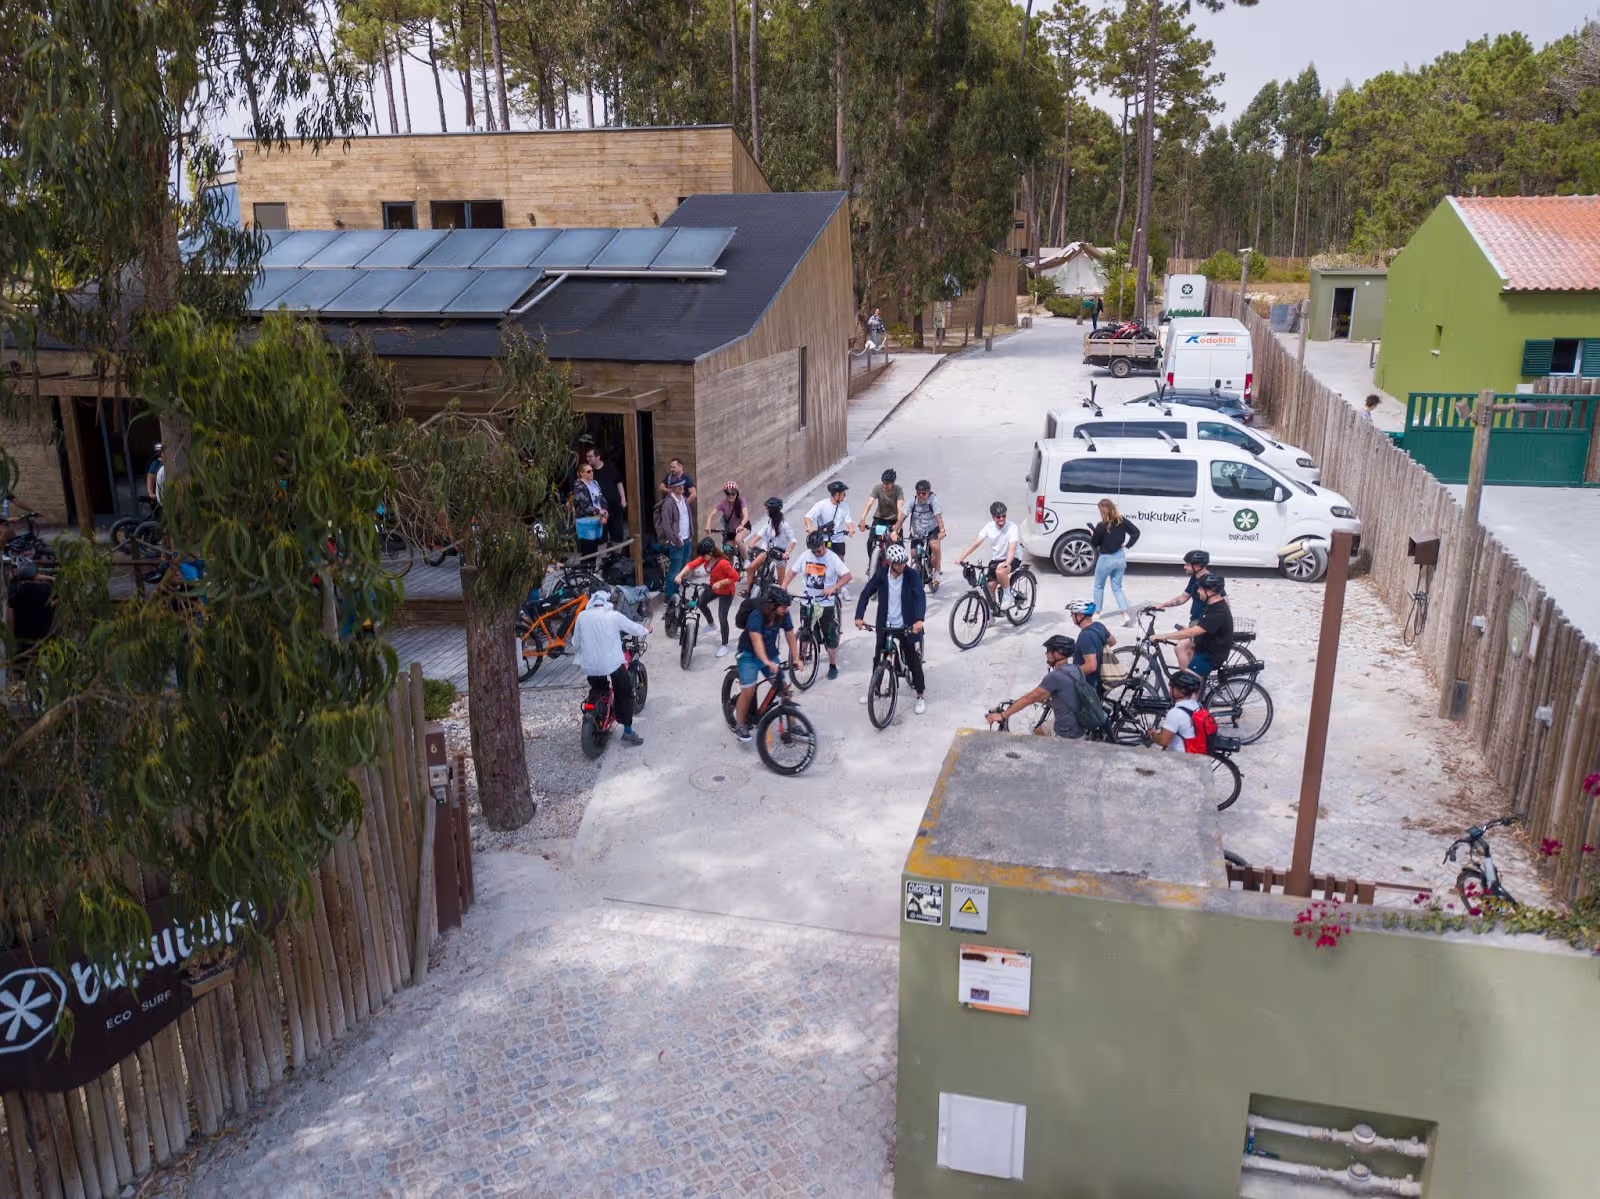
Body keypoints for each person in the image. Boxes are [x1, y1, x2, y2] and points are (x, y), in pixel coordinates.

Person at [853, 542, 927, 714]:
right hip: (885, 625)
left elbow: (920, 597)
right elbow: (865, 594)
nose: (903, 566)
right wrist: (859, 617)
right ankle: (875, 690)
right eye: (899, 563)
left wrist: (919, 620)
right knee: (878, 657)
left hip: (906, 625)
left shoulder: (911, 575)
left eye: (904, 562)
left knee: (912, 660)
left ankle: (920, 695)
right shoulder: (881, 575)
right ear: (890, 563)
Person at [571, 589, 649, 746]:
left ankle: (598, 709)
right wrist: (646, 629)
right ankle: (627, 731)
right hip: (611, 664)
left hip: (588, 665)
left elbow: (575, 643)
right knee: (625, 692)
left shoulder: (581, 616)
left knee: (598, 689)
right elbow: (633, 627)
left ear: (591, 603)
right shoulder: (613, 616)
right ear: (608, 603)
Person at [985, 635, 1086, 739]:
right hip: (1080, 725)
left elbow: (1029, 698)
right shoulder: (1077, 670)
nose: (1046, 654)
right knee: (1038, 731)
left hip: (1065, 732)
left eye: (1048, 651)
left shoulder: (1055, 677)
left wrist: (1002, 716)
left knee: (1036, 745)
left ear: (1057, 653)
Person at [733, 587, 800, 742]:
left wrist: (796, 658)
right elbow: (756, 640)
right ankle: (740, 725)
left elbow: (790, 634)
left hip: (770, 655)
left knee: (784, 688)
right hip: (749, 655)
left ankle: (793, 724)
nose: (787, 609)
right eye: (784, 606)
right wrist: (766, 662)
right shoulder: (757, 615)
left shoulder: (783, 614)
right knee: (749, 690)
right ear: (773, 605)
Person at [785, 531, 852, 680]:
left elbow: (847, 576)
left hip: (825, 604)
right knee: (805, 632)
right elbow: (791, 572)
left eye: (819, 550)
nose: (816, 553)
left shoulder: (832, 558)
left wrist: (833, 588)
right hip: (807, 601)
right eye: (813, 551)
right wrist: (783, 586)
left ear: (823, 544)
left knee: (829, 637)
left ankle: (832, 664)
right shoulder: (806, 555)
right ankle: (802, 657)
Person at [1155, 572, 1233, 676]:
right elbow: (1202, 627)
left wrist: (1163, 636)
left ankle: (1197, 690)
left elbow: (1192, 632)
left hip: (1209, 656)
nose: (1197, 591)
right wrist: (1187, 629)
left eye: (1200, 589)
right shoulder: (1210, 605)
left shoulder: (1218, 611)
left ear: (1209, 592)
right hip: (1203, 648)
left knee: (1184, 685)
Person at [675, 537, 741, 657]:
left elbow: (736, 577)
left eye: (703, 555)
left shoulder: (723, 563)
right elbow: (691, 565)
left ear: (710, 553)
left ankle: (724, 645)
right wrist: (680, 575)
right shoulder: (706, 558)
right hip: (713, 587)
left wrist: (721, 583)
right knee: (700, 602)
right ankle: (711, 625)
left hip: (726, 592)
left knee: (722, 616)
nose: (702, 558)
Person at [955, 501, 1020, 614]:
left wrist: (1007, 562)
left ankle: (1007, 594)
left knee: (1000, 572)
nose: (1001, 519)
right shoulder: (989, 527)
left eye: (1004, 516)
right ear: (993, 517)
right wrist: (961, 557)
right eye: (998, 517)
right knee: (989, 588)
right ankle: (991, 616)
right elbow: (976, 543)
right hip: (997, 559)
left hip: (1013, 557)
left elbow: (1012, 548)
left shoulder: (1012, 527)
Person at [1089, 498, 1140, 625]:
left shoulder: (1101, 526)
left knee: (1099, 586)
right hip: (1120, 558)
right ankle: (1125, 614)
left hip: (1106, 559)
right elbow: (1136, 532)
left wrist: (1093, 534)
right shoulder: (1122, 521)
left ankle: (1097, 612)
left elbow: (1094, 543)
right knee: (1117, 587)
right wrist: (1127, 545)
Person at [744, 497, 796, 595]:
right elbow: (762, 532)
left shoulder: (784, 525)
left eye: (767, 508)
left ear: (773, 510)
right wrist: (752, 541)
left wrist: (787, 553)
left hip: (779, 554)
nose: (766, 510)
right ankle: (747, 589)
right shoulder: (769, 521)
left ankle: (784, 601)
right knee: (751, 567)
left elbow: (793, 540)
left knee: (781, 583)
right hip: (767, 551)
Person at [5, 556, 55, 656]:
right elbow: (54, 581)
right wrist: (48, 577)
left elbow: (9, 619)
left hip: (20, 644)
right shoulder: (46, 589)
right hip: (41, 642)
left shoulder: (16, 591)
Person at [899, 479, 946, 583]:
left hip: (931, 530)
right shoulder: (912, 501)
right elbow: (903, 517)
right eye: (918, 493)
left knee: (935, 547)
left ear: (929, 492)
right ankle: (919, 571)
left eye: (923, 493)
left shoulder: (934, 501)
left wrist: (942, 530)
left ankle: (937, 571)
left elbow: (938, 517)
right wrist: (895, 530)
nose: (921, 496)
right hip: (917, 531)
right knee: (914, 554)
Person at [1148, 669, 1205, 753]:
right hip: (1196, 751)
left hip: (1180, 758)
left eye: (1172, 686)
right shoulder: (1197, 705)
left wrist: (1152, 734)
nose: (1170, 689)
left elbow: (1163, 741)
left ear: (1183, 690)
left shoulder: (1176, 713)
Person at [1066, 599, 1115, 691]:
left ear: (1080, 616)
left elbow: (1091, 667)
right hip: (1100, 680)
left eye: (1072, 614)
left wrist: (1070, 673)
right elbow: (1112, 642)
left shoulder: (1086, 636)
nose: (1072, 617)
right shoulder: (1099, 626)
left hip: (1089, 685)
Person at [587, 446, 628, 544]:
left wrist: (623, 499)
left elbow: (619, 483)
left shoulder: (610, 467)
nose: (588, 459)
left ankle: (616, 557)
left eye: (590, 456)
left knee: (617, 535)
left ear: (598, 457)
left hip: (614, 505)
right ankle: (604, 557)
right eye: (587, 457)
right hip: (599, 508)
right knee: (601, 537)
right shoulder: (588, 471)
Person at [569, 460, 609, 561]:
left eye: (592, 471)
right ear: (582, 473)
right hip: (585, 521)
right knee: (587, 550)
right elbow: (584, 506)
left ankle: (591, 572)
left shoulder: (594, 483)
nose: (592, 473)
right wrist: (599, 512)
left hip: (596, 519)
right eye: (588, 471)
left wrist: (604, 511)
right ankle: (585, 573)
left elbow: (602, 498)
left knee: (594, 549)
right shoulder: (579, 486)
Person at [864, 469, 905, 564]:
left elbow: (900, 507)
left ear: (893, 483)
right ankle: (872, 564)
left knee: (899, 543)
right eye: (883, 483)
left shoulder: (898, 490)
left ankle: (901, 566)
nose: (884, 485)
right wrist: (863, 519)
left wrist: (898, 524)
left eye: (887, 484)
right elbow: (869, 503)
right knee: (870, 542)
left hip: (893, 521)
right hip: (879, 519)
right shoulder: (877, 488)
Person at [805, 481, 854, 560]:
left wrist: (851, 529)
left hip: (838, 539)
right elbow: (808, 517)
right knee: (819, 559)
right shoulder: (821, 505)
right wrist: (809, 527)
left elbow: (848, 520)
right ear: (837, 495)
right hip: (823, 539)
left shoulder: (845, 506)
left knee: (840, 562)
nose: (845, 496)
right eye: (843, 494)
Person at [707, 481, 750, 559]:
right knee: (728, 550)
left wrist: (741, 525)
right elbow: (711, 514)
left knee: (738, 539)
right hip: (731, 529)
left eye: (733, 493)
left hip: (744, 527)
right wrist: (708, 526)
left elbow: (746, 516)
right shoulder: (723, 503)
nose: (731, 496)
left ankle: (747, 560)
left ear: (737, 493)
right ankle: (730, 569)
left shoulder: (741, 501)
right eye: (728, 494)